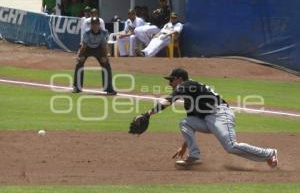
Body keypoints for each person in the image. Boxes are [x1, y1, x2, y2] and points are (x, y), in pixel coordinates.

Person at [142, 68, 278, 168]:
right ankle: (194, 155)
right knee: (185, 122)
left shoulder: (188, 84)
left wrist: (149, 113)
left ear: (179, 79)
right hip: (208, 119)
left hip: (220, 114)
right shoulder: (189, 100)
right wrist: (185, 146)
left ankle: (269, 153)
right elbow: (191, 125)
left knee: (230, 146)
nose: (169, 83)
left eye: (171, 80)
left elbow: (169, 100)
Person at [73, 17, 116, 95]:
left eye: (96, 24)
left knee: (106, 64)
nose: (95, 26)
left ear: (99, 25)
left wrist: (106, 57)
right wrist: (79, 56)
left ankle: (109, 88)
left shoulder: (104, 33)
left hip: (99, 48)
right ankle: (77, 87)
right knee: (79, 63)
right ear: (91, 25)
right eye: (93, 24)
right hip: (87, 48)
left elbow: (104, 46)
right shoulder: (87, 33)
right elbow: (84, 46)